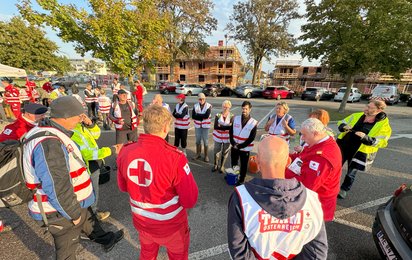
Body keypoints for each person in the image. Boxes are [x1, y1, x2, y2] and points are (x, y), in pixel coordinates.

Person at [22, 96, 124, 259]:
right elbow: (56, 186)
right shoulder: (50, 144)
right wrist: (74, 214)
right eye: (78, 116)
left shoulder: (53, 132)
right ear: (66, 116)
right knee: (67, 250)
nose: (80, 120)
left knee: (90, 222)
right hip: (59, 210)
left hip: (75, 199)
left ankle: (106, 239)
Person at [117, 105, 198, 259]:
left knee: (147, 254)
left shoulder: (125, 151)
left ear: (145, 125)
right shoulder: (175, 158)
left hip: (142, 222)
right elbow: (190, 200)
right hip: (171, 226)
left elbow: (123, 187)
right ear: (166, 127)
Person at [227, 136, 328, 259]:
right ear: (288, 162)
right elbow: (317, 252)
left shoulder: (241, 197)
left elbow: (238, 249)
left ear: (257, 161)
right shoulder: (312, 199)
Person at [0, 102, 48, 234]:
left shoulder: (26, 125)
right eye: (40, 114)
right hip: (18, 170)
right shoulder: (21, 129)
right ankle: (44, 218)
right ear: (28, 114)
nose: (43, 116)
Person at [286, 118, 342, 221]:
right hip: (311, 199)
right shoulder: (317, 142)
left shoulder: (322, 157)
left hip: (317, 205)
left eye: (304, 135)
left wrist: (282, 171)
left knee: (309, 233)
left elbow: (307, 186)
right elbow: (301, 158)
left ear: (315, 133)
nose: (302, 138)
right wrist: (283, 156)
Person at [337, 100, 392, 199]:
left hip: (359, 151)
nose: (366, 108)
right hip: (343, 145)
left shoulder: (384, 124)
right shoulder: (357, 115)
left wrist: (365, 137)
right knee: (335, 168)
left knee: (351, 172)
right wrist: (343, 126)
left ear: (379, 110)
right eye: (367, 106)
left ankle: (344, 189)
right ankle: (330, 186)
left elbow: (383, 142)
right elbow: (341, 122)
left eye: (370, 108)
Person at [71, 114, 117, 221]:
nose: (81, 117)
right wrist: (110, 150)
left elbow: (96, 134)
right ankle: (91, 217)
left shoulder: (80, 126)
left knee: (93, 190)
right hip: (86, 165)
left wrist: (90, 124)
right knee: (89, 192)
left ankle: (92, 213)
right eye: (79, 114)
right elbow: (86, 154)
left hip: (93, 164)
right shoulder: (71, 132)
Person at [229, 101, 257, 185]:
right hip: (234, 146)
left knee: (244, 164)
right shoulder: (236, 118)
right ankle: (235, 175)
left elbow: (251, 138)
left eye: (246, 109)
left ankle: (241, 179)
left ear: (250, 109)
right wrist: (233, 143)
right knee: (234, 162)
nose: (244, 110)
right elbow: (231, 132)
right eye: (243, 108)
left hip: (245, 148)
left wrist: (240, 146)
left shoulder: (253, 122)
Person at [211, 100, 234, 173]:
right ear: (222, 107)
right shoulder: (218, 115)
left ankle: (222, 166)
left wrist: (221, 126)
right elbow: (215, 127)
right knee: (216, 151)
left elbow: (231, 127)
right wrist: (226, 126)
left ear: (230, 107)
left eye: (227, 107)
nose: (225, 108)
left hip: (227, 138)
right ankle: (215, 165)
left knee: (225, 152)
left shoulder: (232, 116)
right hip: (218, 137)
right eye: (224, 107)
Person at [192, 93, 212, 162]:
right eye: (200, 99)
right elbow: (193, 116)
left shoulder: (209, 106)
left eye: (203, 99)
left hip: (205, 126)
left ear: (205, 98)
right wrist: (201, 116)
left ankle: (206, 156)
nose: (202, 100)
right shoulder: (195, 106)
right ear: (198, 99)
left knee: (205, 141)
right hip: (197, 126)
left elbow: (206, 116)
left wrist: (198, 115)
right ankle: (198, 154)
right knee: (198, 141)